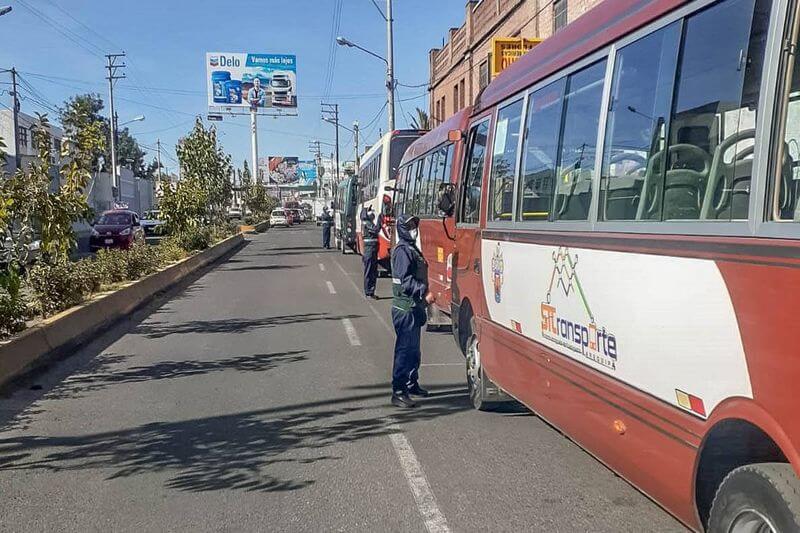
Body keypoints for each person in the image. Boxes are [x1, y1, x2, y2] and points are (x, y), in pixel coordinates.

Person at [390, 214, 435, 408]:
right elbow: (405, 280)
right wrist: (423, 292)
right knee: (404, 351)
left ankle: (411, 383)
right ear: (401, 228)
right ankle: (399, 391)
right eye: (409, 226)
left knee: (414, 351)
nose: (413, 229)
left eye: (414, 225)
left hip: (414, 307)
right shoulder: (402, 251)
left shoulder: (411, 248)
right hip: (405, 307)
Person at [360, 206, 379, 299]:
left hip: (373, 249)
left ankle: (371, 291)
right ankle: (368, 292)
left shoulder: (369, 223)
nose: (372, 213)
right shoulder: (367, 223)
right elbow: (375, 230)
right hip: (369, 250)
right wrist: (379, 221)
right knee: (369, 271)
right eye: (370, 212)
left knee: (373, 271)